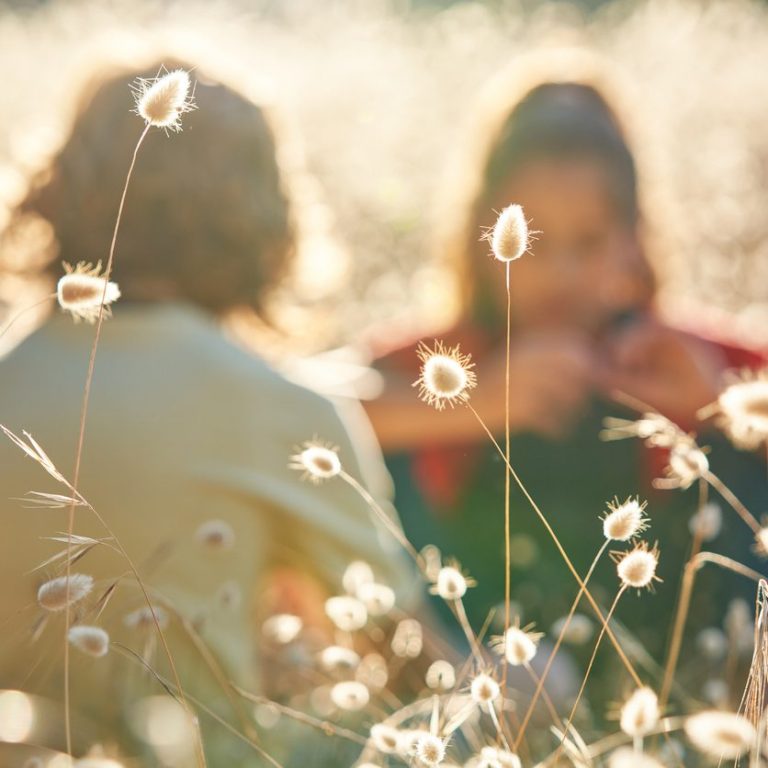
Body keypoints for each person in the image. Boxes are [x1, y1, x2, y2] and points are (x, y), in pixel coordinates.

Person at [0, 60, 417, 766]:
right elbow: (405, 656)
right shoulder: (282, 408)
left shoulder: (10, 377)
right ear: (266, 219)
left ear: (59, 190)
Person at [364, 51, 766, 707]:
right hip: (480, 666)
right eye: (534, 244)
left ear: (633, 242)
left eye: (588, 243)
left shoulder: (682, 351)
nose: (563, 275)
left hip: (679, 659)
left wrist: (716, 406)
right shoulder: (444, 356)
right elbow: (300, 408)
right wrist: (477, 402)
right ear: (478, 237)